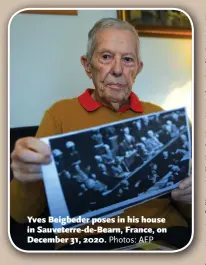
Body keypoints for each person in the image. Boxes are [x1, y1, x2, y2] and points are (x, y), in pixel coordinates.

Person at [10, 17, 192, 249]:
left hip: (164, 236)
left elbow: (188, 208)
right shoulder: (59, 114)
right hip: (89, 243)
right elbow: (21, 215)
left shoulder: (160, 117)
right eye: (106, 57)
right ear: (87, 65)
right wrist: (25, 179)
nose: (117, 70)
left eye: (127, 59)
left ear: (138, 68)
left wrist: (190, 197)